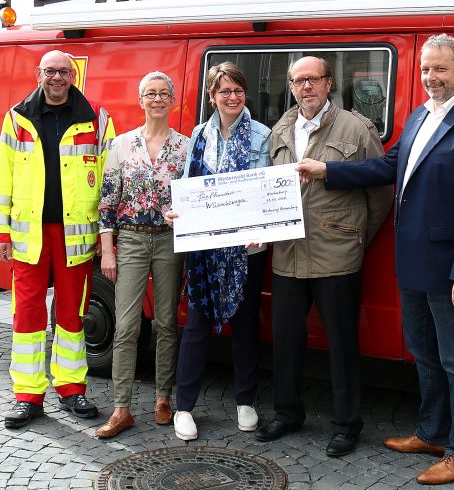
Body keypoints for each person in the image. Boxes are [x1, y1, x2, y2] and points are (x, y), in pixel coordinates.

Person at [297, 35, 454, 484]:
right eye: (427, 69)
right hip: (412, 263)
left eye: (441, 69)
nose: (431, 77)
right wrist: (327, 170)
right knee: (425, 355)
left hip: (450, 270)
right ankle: (432, 431)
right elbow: (388, 166)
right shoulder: (417, 116)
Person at [255, 56, 392, 457]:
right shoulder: (281, 127)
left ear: (329, 83)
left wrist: (355, 237)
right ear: (292, 87)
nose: (305, 88)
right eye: (298, 81)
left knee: (342, 343)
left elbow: (380, 191)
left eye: (313, 80)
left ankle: (347, 425)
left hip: (337, 255)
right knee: (286, 340)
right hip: (288, 255)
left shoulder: (356, 127)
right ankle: (287, 412)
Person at [0, 50, 115, 430]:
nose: (57, 77)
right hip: (29, 234)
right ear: (37, 74)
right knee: (26, 317)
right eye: (50, 71)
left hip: (77, 234)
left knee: (72, 317)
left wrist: (106, 234)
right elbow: (3, 177)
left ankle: (71, 388)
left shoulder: (98, 118)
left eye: (64, 71)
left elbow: (109, 180)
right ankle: (28, 396)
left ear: (74, 75)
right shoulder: (17, 118)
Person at [162, 62, 271, 441]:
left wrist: (262, 229)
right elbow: (187, 183)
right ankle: (184, 407)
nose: (233, 97)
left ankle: (245, 401)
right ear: (212, 96)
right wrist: (177, 210)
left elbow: (265, 189)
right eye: (225, 91)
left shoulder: (261, 134)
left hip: (246, 250)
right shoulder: (199, 135)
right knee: (196, 325)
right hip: (205, 248)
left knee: (245, 326)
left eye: (238, 90)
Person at [94, 72, 189, 438]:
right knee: (126, 326)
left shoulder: (185, 146)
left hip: (169, 241)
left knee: (166, 322)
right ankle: (121, 408)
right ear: (140, 100)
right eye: (150, 93)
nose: (157, 99)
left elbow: (193, 193)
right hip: (131, 239)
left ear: (172, 99)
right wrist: (108, 250)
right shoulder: (120, 145)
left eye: (164, 93)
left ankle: (163, 398)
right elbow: (107, 201)